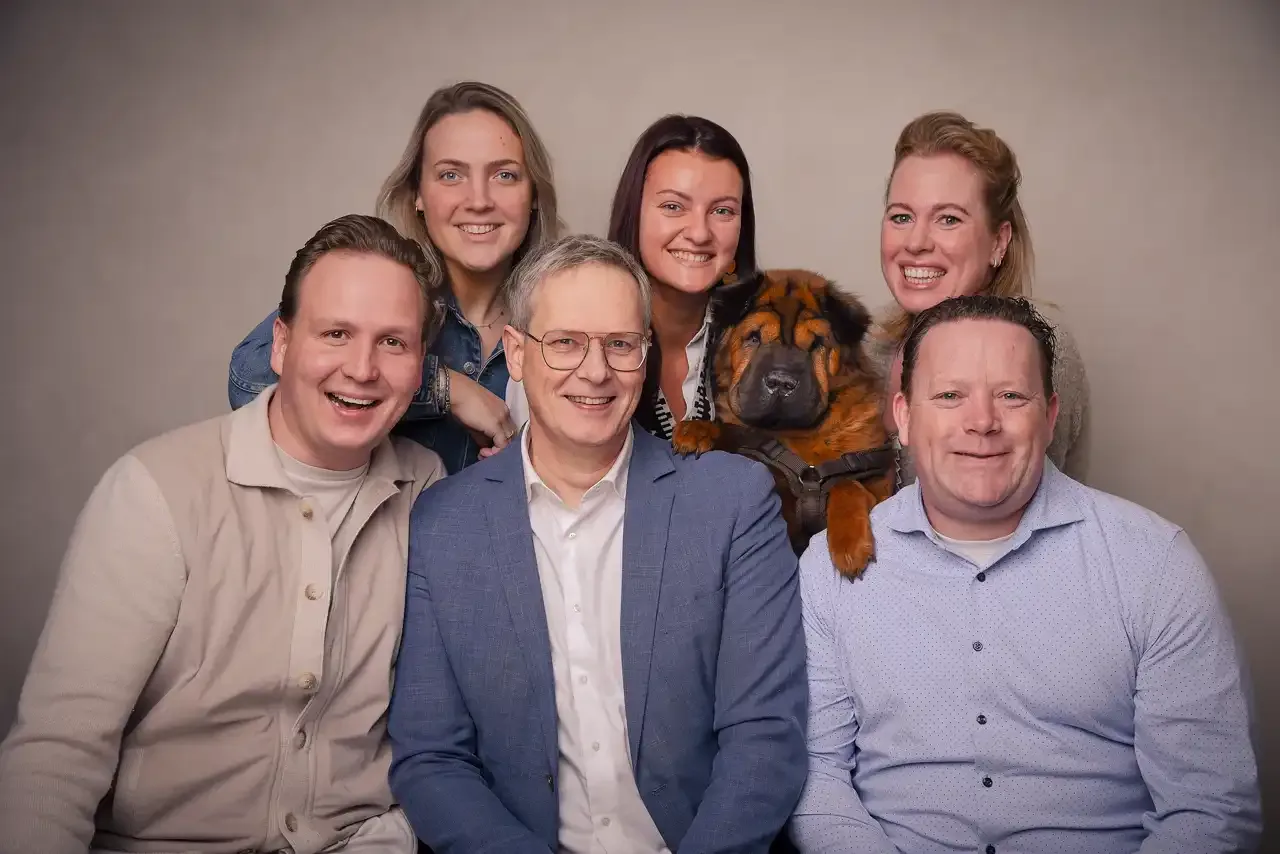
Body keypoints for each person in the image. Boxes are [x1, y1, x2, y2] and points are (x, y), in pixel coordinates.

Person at [0, 214, 448, 854]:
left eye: (393, 343)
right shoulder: (156, 491)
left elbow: (447, 731)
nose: (361, 367)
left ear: (421, 365)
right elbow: (57, 751)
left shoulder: (427, 491)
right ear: (281, 344)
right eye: (336, 333)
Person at [790, 295, 1261, 853]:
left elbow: (1209, 807)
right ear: (904, 418)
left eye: (1011, 396)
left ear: (1051, 414)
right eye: (949, 396)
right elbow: (817, 777)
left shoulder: (1154, 564)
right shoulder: (827, 568)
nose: (983, 422)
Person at [386, 233, 808, 853]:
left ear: (647, 354)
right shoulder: (447, 521)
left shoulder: (731, 502)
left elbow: (765, 739)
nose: (596, 371)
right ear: (518, 353)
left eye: (620, 345)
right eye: (564, 343)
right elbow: (432, 759)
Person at [229, 80, 564, 473]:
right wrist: (446, 388)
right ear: (418, 195)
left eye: (504, 176)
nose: (478, 201)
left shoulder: (565, 313)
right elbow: (249, 378)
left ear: (534, 195)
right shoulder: (377, 288)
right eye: (451, 175)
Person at [503, 113, 758, 442]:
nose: (699, 233)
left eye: (722, 211)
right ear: (634, 212)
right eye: (673, 206)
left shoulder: (770, 346)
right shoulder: (556, 341)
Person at [867, 110, 1089, 484]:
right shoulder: (868, 343)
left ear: (998, 242)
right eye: (902, 217)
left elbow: (1017, 506)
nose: (916, 243)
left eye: (949, 219)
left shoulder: (1039, 346)